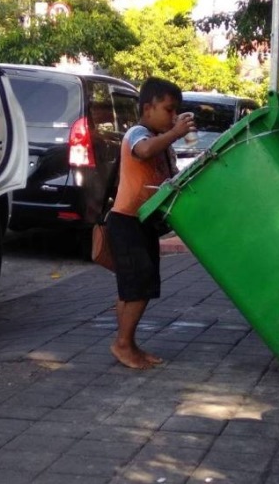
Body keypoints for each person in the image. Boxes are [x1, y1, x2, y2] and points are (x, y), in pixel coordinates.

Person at [107, 77, 195, 369]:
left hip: (141, 224)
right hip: (126, 221)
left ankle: (128, 343)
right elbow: (143, 151)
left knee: (133, 286)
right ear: (148, 108)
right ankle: (123, 344)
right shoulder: (137, 133)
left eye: (176, 112)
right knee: (139, 286)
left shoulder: (162, 144)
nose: (173, 117)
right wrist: (176, 133)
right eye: (169, 110)